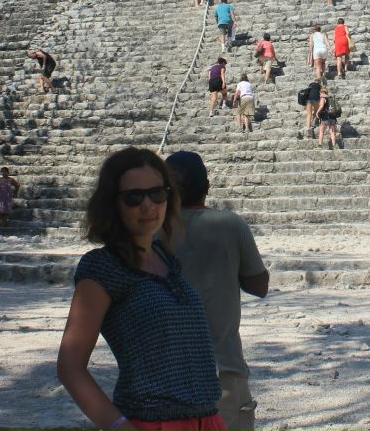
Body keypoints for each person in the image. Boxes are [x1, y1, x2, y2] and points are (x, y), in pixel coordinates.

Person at [57, 148, 225, 431]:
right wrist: (120, 426)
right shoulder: (103, 267)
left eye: (157, 193)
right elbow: (70, 367)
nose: (148, 205)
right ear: (113, 204)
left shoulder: (165, 257)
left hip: (207, 419)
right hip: (152, 423)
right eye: (134, 197)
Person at [165, 152, 268, 431]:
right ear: (207, 186)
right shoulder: (230, 225)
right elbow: (259, 286)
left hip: (162, 370)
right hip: (222, 366)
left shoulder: (151, 232)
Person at [316, 83, 339, 150]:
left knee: (322, 131)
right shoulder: (331, 98)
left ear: (321, 92)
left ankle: (320, 145)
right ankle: (334, 146)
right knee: (332, 132)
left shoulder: (323, 98)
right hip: (332, 116)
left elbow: (322, 106)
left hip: (325, 116)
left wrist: (317, 112)